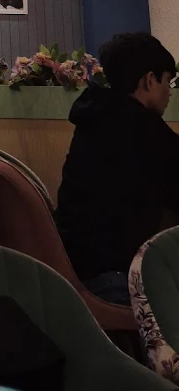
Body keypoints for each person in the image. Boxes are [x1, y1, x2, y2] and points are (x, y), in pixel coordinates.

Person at [56, 32, 179, 306]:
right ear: (149, 80)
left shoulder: (97, 117)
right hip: (113, 277)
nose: (170, 91)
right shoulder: (142, 128)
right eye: (167, 81)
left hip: (76, 265)